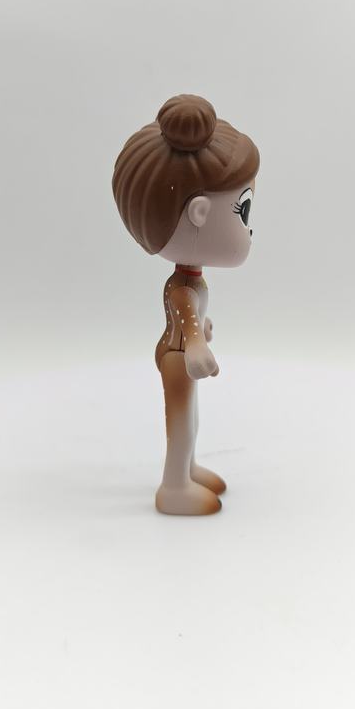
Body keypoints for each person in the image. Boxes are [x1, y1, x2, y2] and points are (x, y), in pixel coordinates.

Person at [112, 94, 260, 514]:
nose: (250, 229)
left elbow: (192, 318)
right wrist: (196, 344)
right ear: (199, 213)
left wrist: (202, 329)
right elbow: (184, 318)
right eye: (243, 211)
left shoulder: (190, 280)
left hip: (182, 353)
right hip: (178, 359)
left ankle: (188, 470)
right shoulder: (181, 287)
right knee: (181, 424)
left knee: (191, 420)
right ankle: (174, 486)